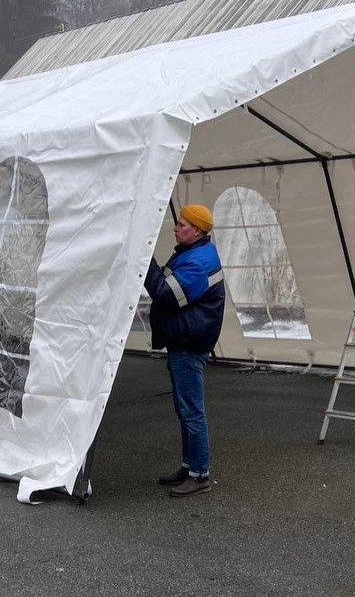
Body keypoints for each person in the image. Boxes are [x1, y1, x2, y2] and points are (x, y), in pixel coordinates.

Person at [144, 203, 225, 498]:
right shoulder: (193, 254)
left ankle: (200, 475)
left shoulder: (197, 262)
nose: (176, 228)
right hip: (185, 341)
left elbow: (166, 294)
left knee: (191, 411)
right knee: (185, 409)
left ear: (198, 230)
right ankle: (189, 467)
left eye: (182, 225)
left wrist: (146, 261)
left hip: (189, 346)